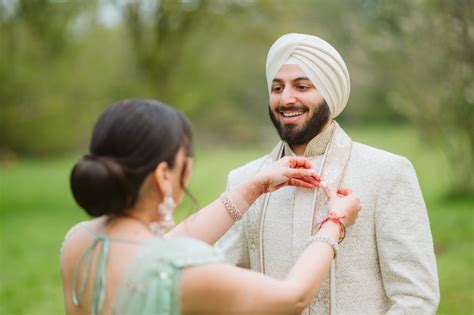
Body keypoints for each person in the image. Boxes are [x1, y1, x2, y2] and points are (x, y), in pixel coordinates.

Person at [60, 99, 361, 315]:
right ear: (164, 176)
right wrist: (334, 222)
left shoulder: (80, 241)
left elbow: (162, 247)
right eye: (185, 162)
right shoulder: (184, 268)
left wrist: (254, 186)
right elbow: (292, 298)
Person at [216, 33, 440, 314]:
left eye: (302, 86)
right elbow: (221, 288)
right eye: (277, 88)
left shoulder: (387, 173)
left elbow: (415, 298)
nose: (286, 98)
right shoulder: (243, 181)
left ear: (329, 93)